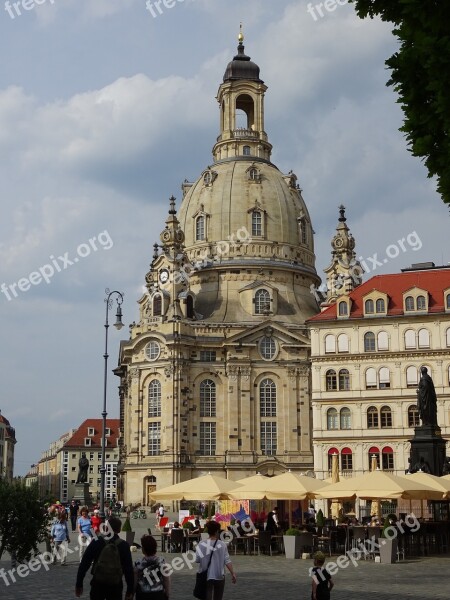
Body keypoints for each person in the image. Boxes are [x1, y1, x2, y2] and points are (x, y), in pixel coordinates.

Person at [75, 517, 134, 600]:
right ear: (119, 530)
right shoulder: (124, 545)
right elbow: (128, 569)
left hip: (98, 583)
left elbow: (84, 563)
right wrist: (129, 590)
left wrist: (79, 584)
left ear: (106, 528)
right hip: (115, 585)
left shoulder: (96, 541)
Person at [195, 520, 236, 600]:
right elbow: (227, 560)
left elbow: (197, 559)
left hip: (205, 576)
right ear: (217, 531)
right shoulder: (222, 544)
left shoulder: (201, 543)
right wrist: (233, 573)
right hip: (219, 575)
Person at [134, 534, 170, 600]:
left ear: (143, 549)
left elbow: (135, 580)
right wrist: (167, 593)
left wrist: (132, 593)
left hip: (143, 594)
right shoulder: (161, 561)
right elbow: (166, 579)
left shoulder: (139, 563)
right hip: (158, 593)